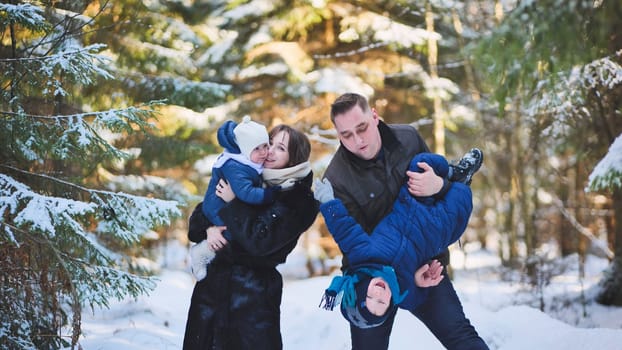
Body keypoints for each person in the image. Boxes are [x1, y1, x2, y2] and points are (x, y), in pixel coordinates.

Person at [323, 92, 488, 349]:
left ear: (375, 116)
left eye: (362, 128)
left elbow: (435, 201)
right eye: (346, 135)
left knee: (461, 337)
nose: (357, 140)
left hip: (425, 264)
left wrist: (439, 185)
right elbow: (357, 246)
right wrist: (406, 279)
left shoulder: (408, 138)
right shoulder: (337, 177)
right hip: (372, 283)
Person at [183, 124, 319, 350]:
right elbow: (199, 218)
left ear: (294, 158)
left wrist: (234, 203)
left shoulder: (298, 199)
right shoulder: (248, 174)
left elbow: (261, 242)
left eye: (281, 148)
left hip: (253, 300)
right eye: (270, 143)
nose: (270, 151)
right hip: (213, 293)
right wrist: (209, 229)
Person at [315, 151, 480, 329]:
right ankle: (463, 178)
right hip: (438, 229)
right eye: (381, 302)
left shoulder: (361, 256)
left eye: (369, 297)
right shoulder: (403, 294)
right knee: (461, 195)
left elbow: (344, 229)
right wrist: (418, 282)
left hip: (411, 202)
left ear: (359, 288)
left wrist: (328, 202)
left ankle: (452, 172)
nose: (379, 293)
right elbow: (419, 298)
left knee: (421, 162)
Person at [190, 116, 281, 281]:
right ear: (245, 150)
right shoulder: (235, 167)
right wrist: (270, 194)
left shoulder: (248, 164)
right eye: (257, 148)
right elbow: (246, 193)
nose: (264, 152)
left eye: (265, 146)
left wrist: (235, 201)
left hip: (250, 286)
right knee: (229, 234)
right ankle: (202, 252)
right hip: (217, 208)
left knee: (233, 234)